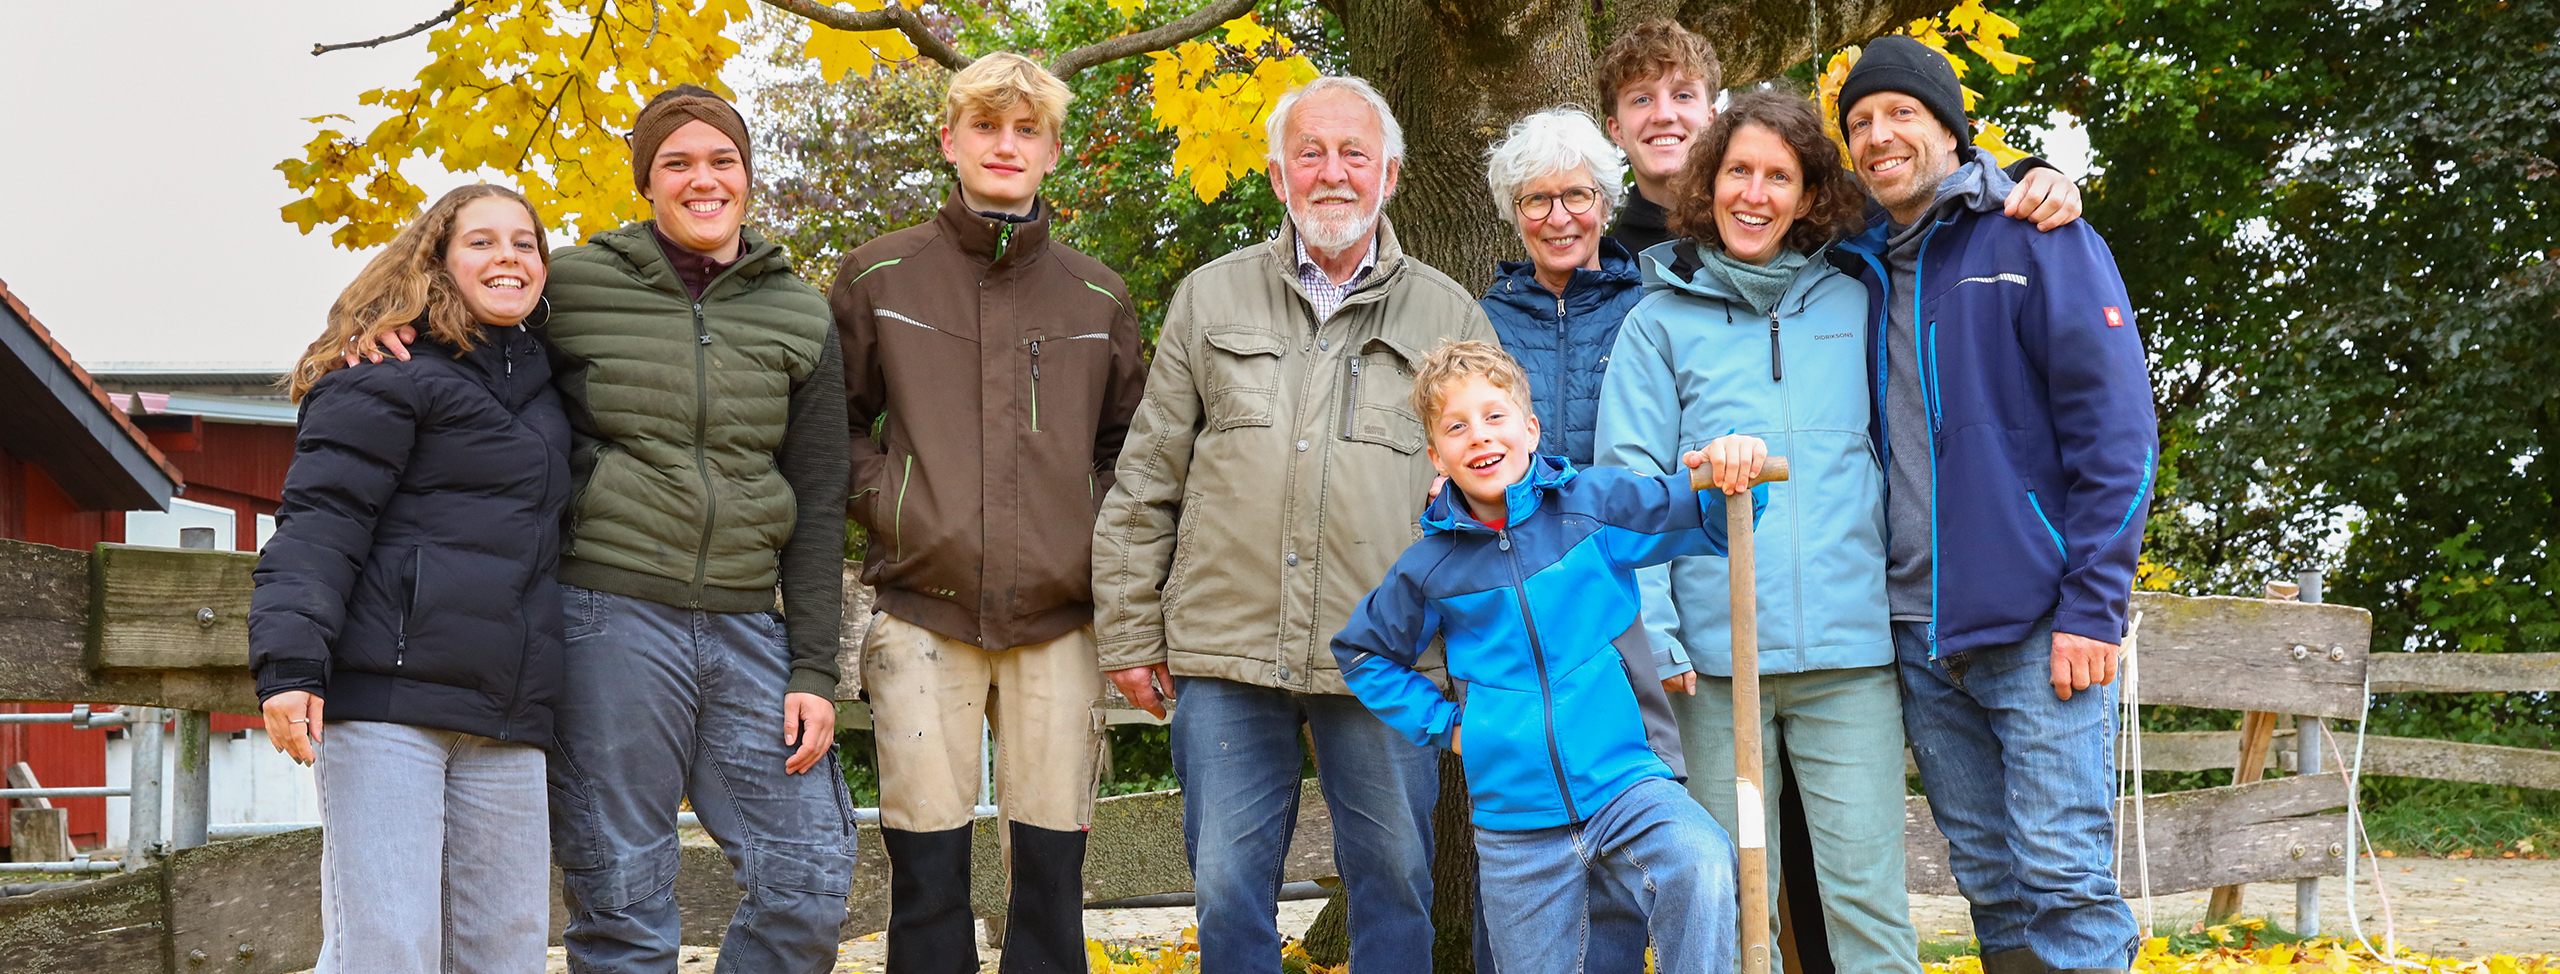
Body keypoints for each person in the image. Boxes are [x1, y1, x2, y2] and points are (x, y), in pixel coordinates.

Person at [1091, 75, 1496, 973]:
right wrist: (1125, 629)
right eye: (1310, 153)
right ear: (1278, 177)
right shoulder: (1209, 299)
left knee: (1396, 878)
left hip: (1385, 657)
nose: (1333, 173)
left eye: (1355, 154)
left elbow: (1488, 498)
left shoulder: (1448, 316)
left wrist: (1474, 648)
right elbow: (1148, 473)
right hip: (1226, 647)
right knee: (1227, 885)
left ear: (1390, 175)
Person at [1834, 36, 2157, 973]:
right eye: (1858, 122)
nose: (1877, 135)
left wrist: (2094, 605)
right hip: (1914, 631)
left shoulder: (2037, 235)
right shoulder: (1855, 266)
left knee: (2063, 879)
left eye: (1901, 113)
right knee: (1991, 879)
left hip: (2037, 620)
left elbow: (2120, 435)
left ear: (1949, 127)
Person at [1595, 89, 1923, 974]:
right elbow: (1629, 496)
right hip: (1712, 666)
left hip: (1849, 659)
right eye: (1739, 169)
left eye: (1779, 176)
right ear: (1709, 183)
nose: (1755, 193)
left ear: (1811, 195)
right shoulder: (1656, 322)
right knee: (1733, 909)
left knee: (1866, 901)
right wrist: (1658, 640)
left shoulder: (1858, 303)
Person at [833, 52, 1146, 974]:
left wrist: (1088, 531)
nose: (1005, 145)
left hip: (1061, 619)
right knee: (926, 876)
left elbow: (1128, 450)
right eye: (985, 126)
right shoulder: (877, 275)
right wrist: (898, 509)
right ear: (950, 141)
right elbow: (833, 431)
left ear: (1053, 150)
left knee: (1051, 880)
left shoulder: (1098, 294)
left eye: (1026, 130)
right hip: (924, 608)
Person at [540, 85, 852, 974]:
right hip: (609, 614)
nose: (702, 179)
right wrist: (363, 336)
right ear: (647, 180)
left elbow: (820, 497)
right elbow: (454, 329)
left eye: (723, 160)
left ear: (748, 177)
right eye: (677, 161)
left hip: (751, 626)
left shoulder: (801, 312)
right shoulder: (571, 283)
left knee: (808, 877)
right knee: (624, 893)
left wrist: (814, 669)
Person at [1331, 340, 1756, 974]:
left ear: (1530, 429)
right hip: (1515, 827)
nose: (1479, 437)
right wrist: (1449, 726)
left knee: (1701, 860)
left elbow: (1711, 517)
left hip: (1627, 785)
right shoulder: (1431, 567)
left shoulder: (1594, 508)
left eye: (1495, 416)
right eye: (1456, 427)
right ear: (1436, 457)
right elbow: (1362, 653)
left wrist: (1731, 465)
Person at [251, 182, 568, 974]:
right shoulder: (386, 368)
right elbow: (320, 523)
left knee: (506, 953)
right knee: (385, 948)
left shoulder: (546, 387)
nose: (508, 257)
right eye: (482, 241)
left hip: (506, 712)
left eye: (524, 243)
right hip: (388, 703)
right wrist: (289, 666)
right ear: (438, 260)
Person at [1594, 19, 2085, 257]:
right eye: (1640, 100)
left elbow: (1923, 200)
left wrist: (2024, 175)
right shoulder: (1616, 259)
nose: (1663, 116)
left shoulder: (1832, 206)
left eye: (1682, 96)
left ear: (1712, 113)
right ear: (1614, 128)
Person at [1478, 108, 1646, 468]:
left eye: (1576, 194)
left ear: (1606, 205)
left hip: (1622, 522)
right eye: (1537, 199)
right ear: (1515, 214)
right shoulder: (1481, 325)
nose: (1557, 218)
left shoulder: (1647, 313)